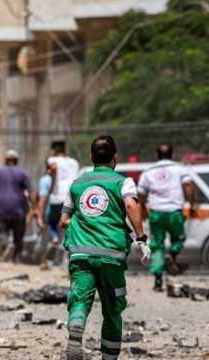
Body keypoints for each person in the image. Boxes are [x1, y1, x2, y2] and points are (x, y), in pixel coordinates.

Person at [59, 135, 150, 360]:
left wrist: (85, 223)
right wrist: (141, 238)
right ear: (115, 158)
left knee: (80, 299)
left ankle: (77, 326)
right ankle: (108, 358)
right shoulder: (122, 182)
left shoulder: (77, 184)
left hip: (80, 252)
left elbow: (63, 221)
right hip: (111, 255)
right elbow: (130, 205)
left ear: (91, 158)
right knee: (113, 310)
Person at [137, 144, 195, 291]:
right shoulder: (179, 168)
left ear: (157, 155)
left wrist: (143, 208)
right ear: (172, 154)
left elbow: (141, 193)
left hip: (156, 212)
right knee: (179, 238)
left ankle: (157, 281)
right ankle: (172, 254)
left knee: (156, 245)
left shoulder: (148, 172)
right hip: (175, 211)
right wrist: (192, 204)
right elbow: (188, 185)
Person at [0, 150, 32, 263]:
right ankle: (16, 258)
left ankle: (5, 243)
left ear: (5, 160)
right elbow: (31, 191)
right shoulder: (23, 173)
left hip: (1, 207)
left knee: (2, 230)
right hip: (18, 209)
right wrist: (34, 207)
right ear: (17, 161)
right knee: (18, 235)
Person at [45, 140, 79, 263]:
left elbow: (51, 176)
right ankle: (67, 252)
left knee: (51, 223)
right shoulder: (74, 162)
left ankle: (54, 238)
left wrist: (50, 191)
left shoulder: (51, 161)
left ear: (54, 150)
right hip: (72, 197)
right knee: (67, 225)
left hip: (57, 197)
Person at [34, 160, 61, 268]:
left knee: (45, 238)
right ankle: (58, 262)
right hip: (64, 210)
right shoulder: (63, 181)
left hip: (49, 211)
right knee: (62, 236)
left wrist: (39, 217)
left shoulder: (44, 180)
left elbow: (43, 199)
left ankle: (44, 261)